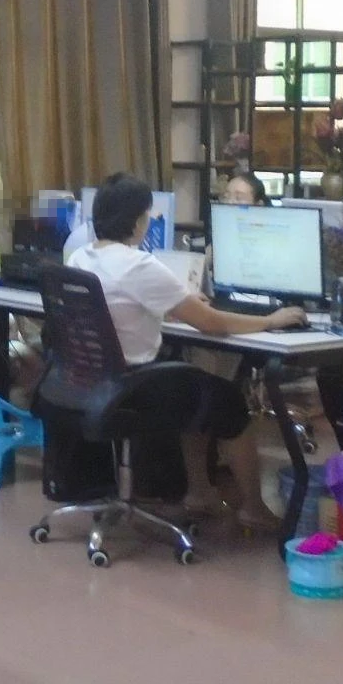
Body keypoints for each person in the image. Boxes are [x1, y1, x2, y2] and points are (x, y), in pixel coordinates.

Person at [66, 174, 302, 530]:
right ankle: (253, 507)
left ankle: (200, 492)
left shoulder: (80, 258)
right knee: (228, 401)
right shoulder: (139, 265)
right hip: (136, 386)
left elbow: (124, 307)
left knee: (198, 388)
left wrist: (176, 305)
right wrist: (270, 320)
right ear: (138, 220)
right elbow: (211, 323)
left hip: (93, 382)